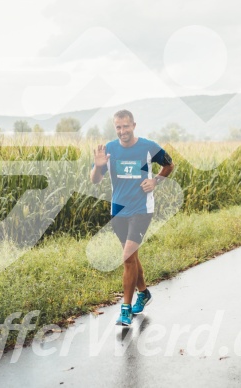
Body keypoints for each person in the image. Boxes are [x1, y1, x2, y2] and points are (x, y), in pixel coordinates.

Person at [90, 109, 175, 326]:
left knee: (127, 257)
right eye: (118, 127)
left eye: (126, 126)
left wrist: (155, 180)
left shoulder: (148, 147)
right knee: (132, 257)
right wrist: (99, 166)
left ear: (134, 125)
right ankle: (144, 293)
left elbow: (169, 164)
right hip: (118, 210)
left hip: (141, 209)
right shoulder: (109, 149)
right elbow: (95, 180)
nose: (122, 131)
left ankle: (125, 309)